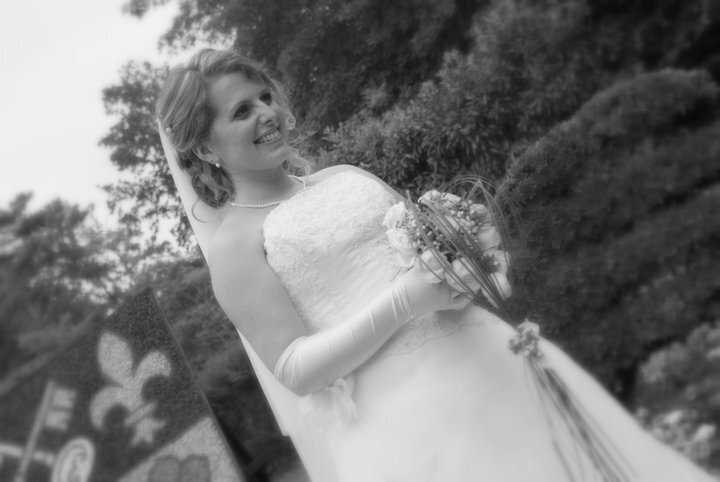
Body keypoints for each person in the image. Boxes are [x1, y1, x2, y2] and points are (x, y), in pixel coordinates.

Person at [156, 48, 715, 482]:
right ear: (204, 149)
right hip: (408, 419)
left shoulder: (345, 177)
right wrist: (403, 301)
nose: (267, 114)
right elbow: (297, 369)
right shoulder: (235, 247)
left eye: (264, 97)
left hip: (491, 357)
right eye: (241, 111)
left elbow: (430, 249)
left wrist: (473, 250)